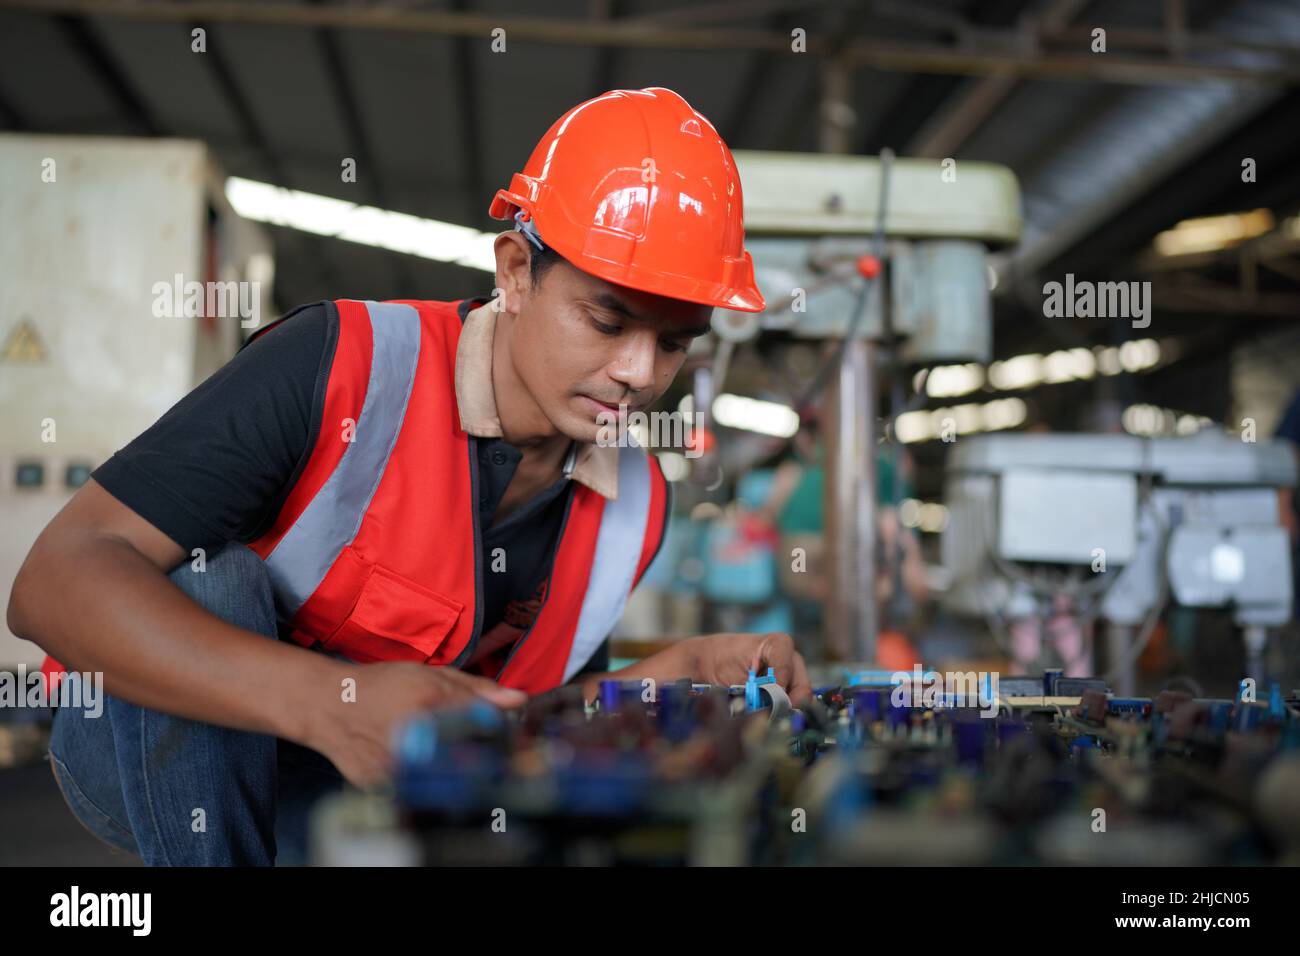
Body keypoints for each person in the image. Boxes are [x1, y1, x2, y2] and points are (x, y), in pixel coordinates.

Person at [7, 88, 811, 866]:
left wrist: (681, 671)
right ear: (517, 272)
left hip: (359, 779)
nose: (638, 371)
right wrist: (332, 704)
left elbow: (527, 715)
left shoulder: (636, 506)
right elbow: (52, 582)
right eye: (606, 320)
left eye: (674, 343)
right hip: (150, 741)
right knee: (213, 579)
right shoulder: (339, 366)